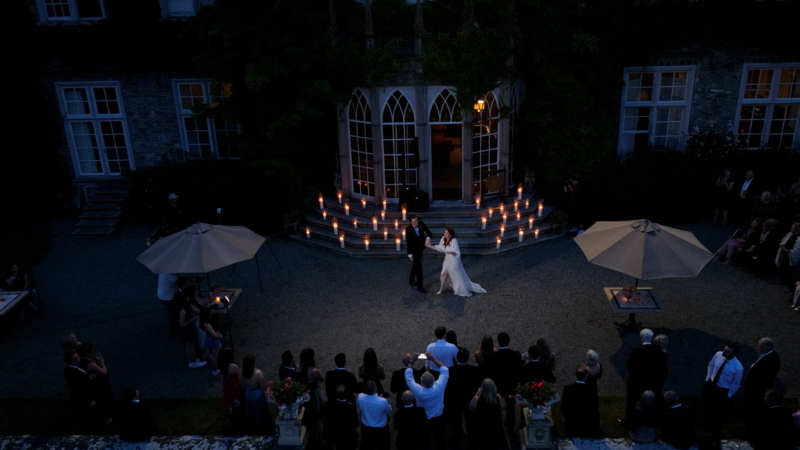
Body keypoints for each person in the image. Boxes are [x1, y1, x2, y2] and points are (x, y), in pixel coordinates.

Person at [404, 352, 449, 450]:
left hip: (423, 417)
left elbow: (408, 377)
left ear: (421, 381)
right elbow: (445, 370)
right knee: (440, 439)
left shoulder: (418, 390)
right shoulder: (439, 386)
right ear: (434, 380)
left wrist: (411, 361)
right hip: (438, 417)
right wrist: (433, 359)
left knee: (424, 440)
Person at [425, 227, 486, 297]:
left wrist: (450, 252)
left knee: (456, 276)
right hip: (447, 259)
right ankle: (441, 288)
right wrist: (430, 246)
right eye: (444, 232)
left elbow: (456, 252)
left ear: (450, 234)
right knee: (443, 274)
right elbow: (439, 248)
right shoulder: (443, 239)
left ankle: (459, 289)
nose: (444, 234)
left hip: (454, 260)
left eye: (446, 233)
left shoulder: (454, 241)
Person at [702, 343, 743, 444]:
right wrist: (708, 378)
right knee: (706, 404)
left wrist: (729, 395)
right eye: (724, 349)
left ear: (734, 354)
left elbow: (736, 383)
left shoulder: (738, 367)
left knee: (720, 411)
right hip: (711, 384)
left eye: (727, 351)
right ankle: (707, 421)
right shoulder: (718, 354)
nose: (724, 352)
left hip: (723, 390)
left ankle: (716, 429)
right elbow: (711, 365)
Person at [623, 329, 667, 421]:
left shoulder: (636, 351)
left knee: (632, 399)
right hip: (653, 381)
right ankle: (657, 417)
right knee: (656, 398)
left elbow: (630, 367)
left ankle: (629, 418)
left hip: (638, 381)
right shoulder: (659, 351)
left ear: (642, 337)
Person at [444, 347, 481, 445]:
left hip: (455, 401)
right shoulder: (474, 370)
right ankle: (472, 440)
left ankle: (456, 440)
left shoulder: (450, 371)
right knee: (470, 422)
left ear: (457, 357)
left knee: (456, 422)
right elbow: (478, 386)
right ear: (467, 358)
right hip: (469, 400)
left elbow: (447, 388)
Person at [743, 337, 781, 430]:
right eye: (759, 346)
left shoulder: (772, 360)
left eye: (762, 347)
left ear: (770, 347)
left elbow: (765, 378)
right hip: (755, 388)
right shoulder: (767, 355)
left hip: (757, 390)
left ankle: (751, 425)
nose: (759, 349)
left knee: (754, 407)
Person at [239, 353, 276, 439]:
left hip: (248, 395)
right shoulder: (258, 374)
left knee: (251, 413)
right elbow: (263, 386)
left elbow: (242, 386)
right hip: (258, 395)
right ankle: (263, 429)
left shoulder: (241, 373)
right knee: (261, 413)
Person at [561, 365, 601, 438]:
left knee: (571, 437)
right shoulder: (590, 390)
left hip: (571, 419)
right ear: (586, 376)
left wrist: (567, 416)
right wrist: (597, 421)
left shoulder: (567, 388)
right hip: (585, 420)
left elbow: (564, 405)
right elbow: (594, 407)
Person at [78, 342, 114, 423]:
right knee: (105, 401)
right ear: (88, 353)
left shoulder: (81, 361)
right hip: (100, 385)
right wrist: (103, 362)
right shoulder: (90, 363)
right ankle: (106, 418)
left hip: (93, 384)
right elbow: (103, 372)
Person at [64, 351, 99, 433]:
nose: (79, 358)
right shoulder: (72, 372)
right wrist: (89, 401)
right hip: (83, 400)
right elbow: (78, 389)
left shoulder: (72, 368)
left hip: (83, 397)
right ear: (72, 361)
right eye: (77, 358)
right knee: (87, 416)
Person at [494, 331, 522, 429]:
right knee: (511, 407)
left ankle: (499, 426)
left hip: (499, 386)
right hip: (511, 386)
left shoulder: (494, 356)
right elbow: (518, 370)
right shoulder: (515, 354)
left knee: (497, 406)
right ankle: (511, 425)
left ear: (498, 342)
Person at [297, 348, 326, 446]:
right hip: (314, 393)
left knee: (307, 412)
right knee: (318, 411)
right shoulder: (314, 371)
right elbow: (321, 379)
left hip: (305, 393)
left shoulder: (299, 369)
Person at [467, 378, 506, 449]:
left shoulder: (476, 399)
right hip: (495, 429)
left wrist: (477, 393)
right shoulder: (498, 399)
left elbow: (470, 408)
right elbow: (503, 407)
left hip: (481, 429)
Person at [318, 385, 359, 450]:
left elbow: (319, 415)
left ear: (335, 395)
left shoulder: (329, 404)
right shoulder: (350, 407)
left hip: (332, 434)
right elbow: (355, 423)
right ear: (346, 394)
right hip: (345, 435)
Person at [356, 381, 392, 450]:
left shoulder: (360, 397)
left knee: (367, 444)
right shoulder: (382, 401)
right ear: (375, 389)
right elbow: (389, 411)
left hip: (366, 426)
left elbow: (358, 404)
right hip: (380, 428)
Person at [218, 348, 245, 434]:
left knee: (229, 404)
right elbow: (240, 375)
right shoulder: (233, 366)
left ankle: (231, 421)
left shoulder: (222, 365)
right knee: (238, 405)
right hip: (234, 388)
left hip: (227, 387)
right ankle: (240, 423)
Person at [406, 215, 433, 293]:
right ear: (411, 222)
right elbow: (408, 242)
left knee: (415, 265)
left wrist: (427, 239)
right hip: (414, 250)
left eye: (417, 220)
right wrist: (410, 254)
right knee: (419, 268)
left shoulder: (421, 224)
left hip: (421, 248)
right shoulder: (408, 229)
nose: (416, 222)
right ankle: (420, 286)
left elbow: (429, 233)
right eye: (414, 221)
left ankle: (411, 280)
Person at [178, 295, 205, 369]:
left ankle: (191, 361)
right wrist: (193, 319)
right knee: (191, 346)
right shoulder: (183, 311)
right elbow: (182, 325)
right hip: (188, 330)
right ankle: (193, 362)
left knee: (189, 346)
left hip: (188, 330)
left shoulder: (184, 309)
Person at [776, 221, 800, 292]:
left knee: (790, 271)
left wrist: (786, 250)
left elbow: (797, 250)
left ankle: (790, 286)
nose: (791, 228)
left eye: (793, 227)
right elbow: (784, 240)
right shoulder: (790, 234)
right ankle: (783, 280)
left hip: (790, 254)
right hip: (785, 254)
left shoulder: (798, 239)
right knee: (783, 267)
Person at [199, 308, 223, 376]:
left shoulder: (202, 322)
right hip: (213, 340)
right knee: (216, 356)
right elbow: (214, 335)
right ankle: (215, 370)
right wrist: (220, 336)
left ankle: (208, 356)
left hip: (208, 338)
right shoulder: (208, 325)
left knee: (214, 354)